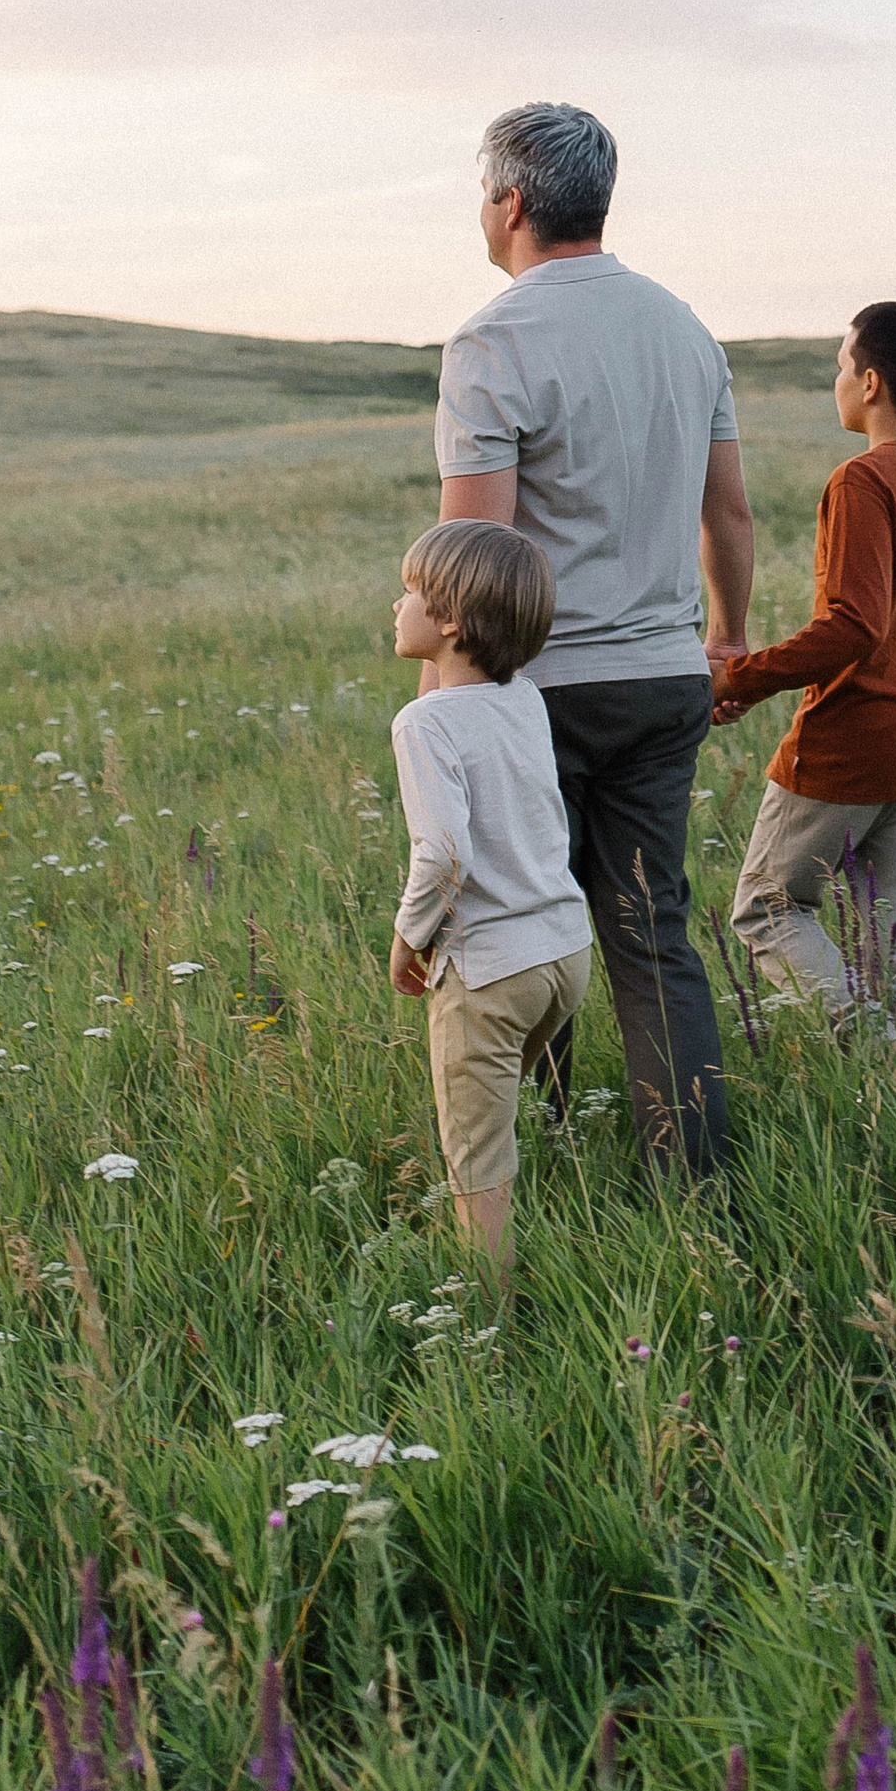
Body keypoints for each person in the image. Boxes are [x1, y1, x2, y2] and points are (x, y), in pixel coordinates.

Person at [435, 102, 749, 1178]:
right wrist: (729, 638)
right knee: (651, 929)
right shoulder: (684, 327)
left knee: (528, 921)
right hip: (666, 675)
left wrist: (450, 700)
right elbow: (729, 516)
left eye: (484, 195)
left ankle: (548, 1150)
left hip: (541, 686)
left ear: (511, 203)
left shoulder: (493, 339)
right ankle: (692, 1174)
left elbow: (475, 553)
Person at [716, 303, 896, 1076]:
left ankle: (886, 1066)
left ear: (871, 382)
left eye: (841, 366)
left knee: (765, 909)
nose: (837, 380)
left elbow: (852, 627)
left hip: (854, 747)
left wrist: (739, 678)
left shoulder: (860, 480)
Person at [387, 519, 593, 1277]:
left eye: (411, 591)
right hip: (564, 955)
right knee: (497, 1121)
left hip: (490, 970)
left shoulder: (425, 721)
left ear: (450, 621)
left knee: (478, 1169)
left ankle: (486, 1331)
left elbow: (443, 851)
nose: (397, 604)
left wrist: (410, 938)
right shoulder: (524, 698)